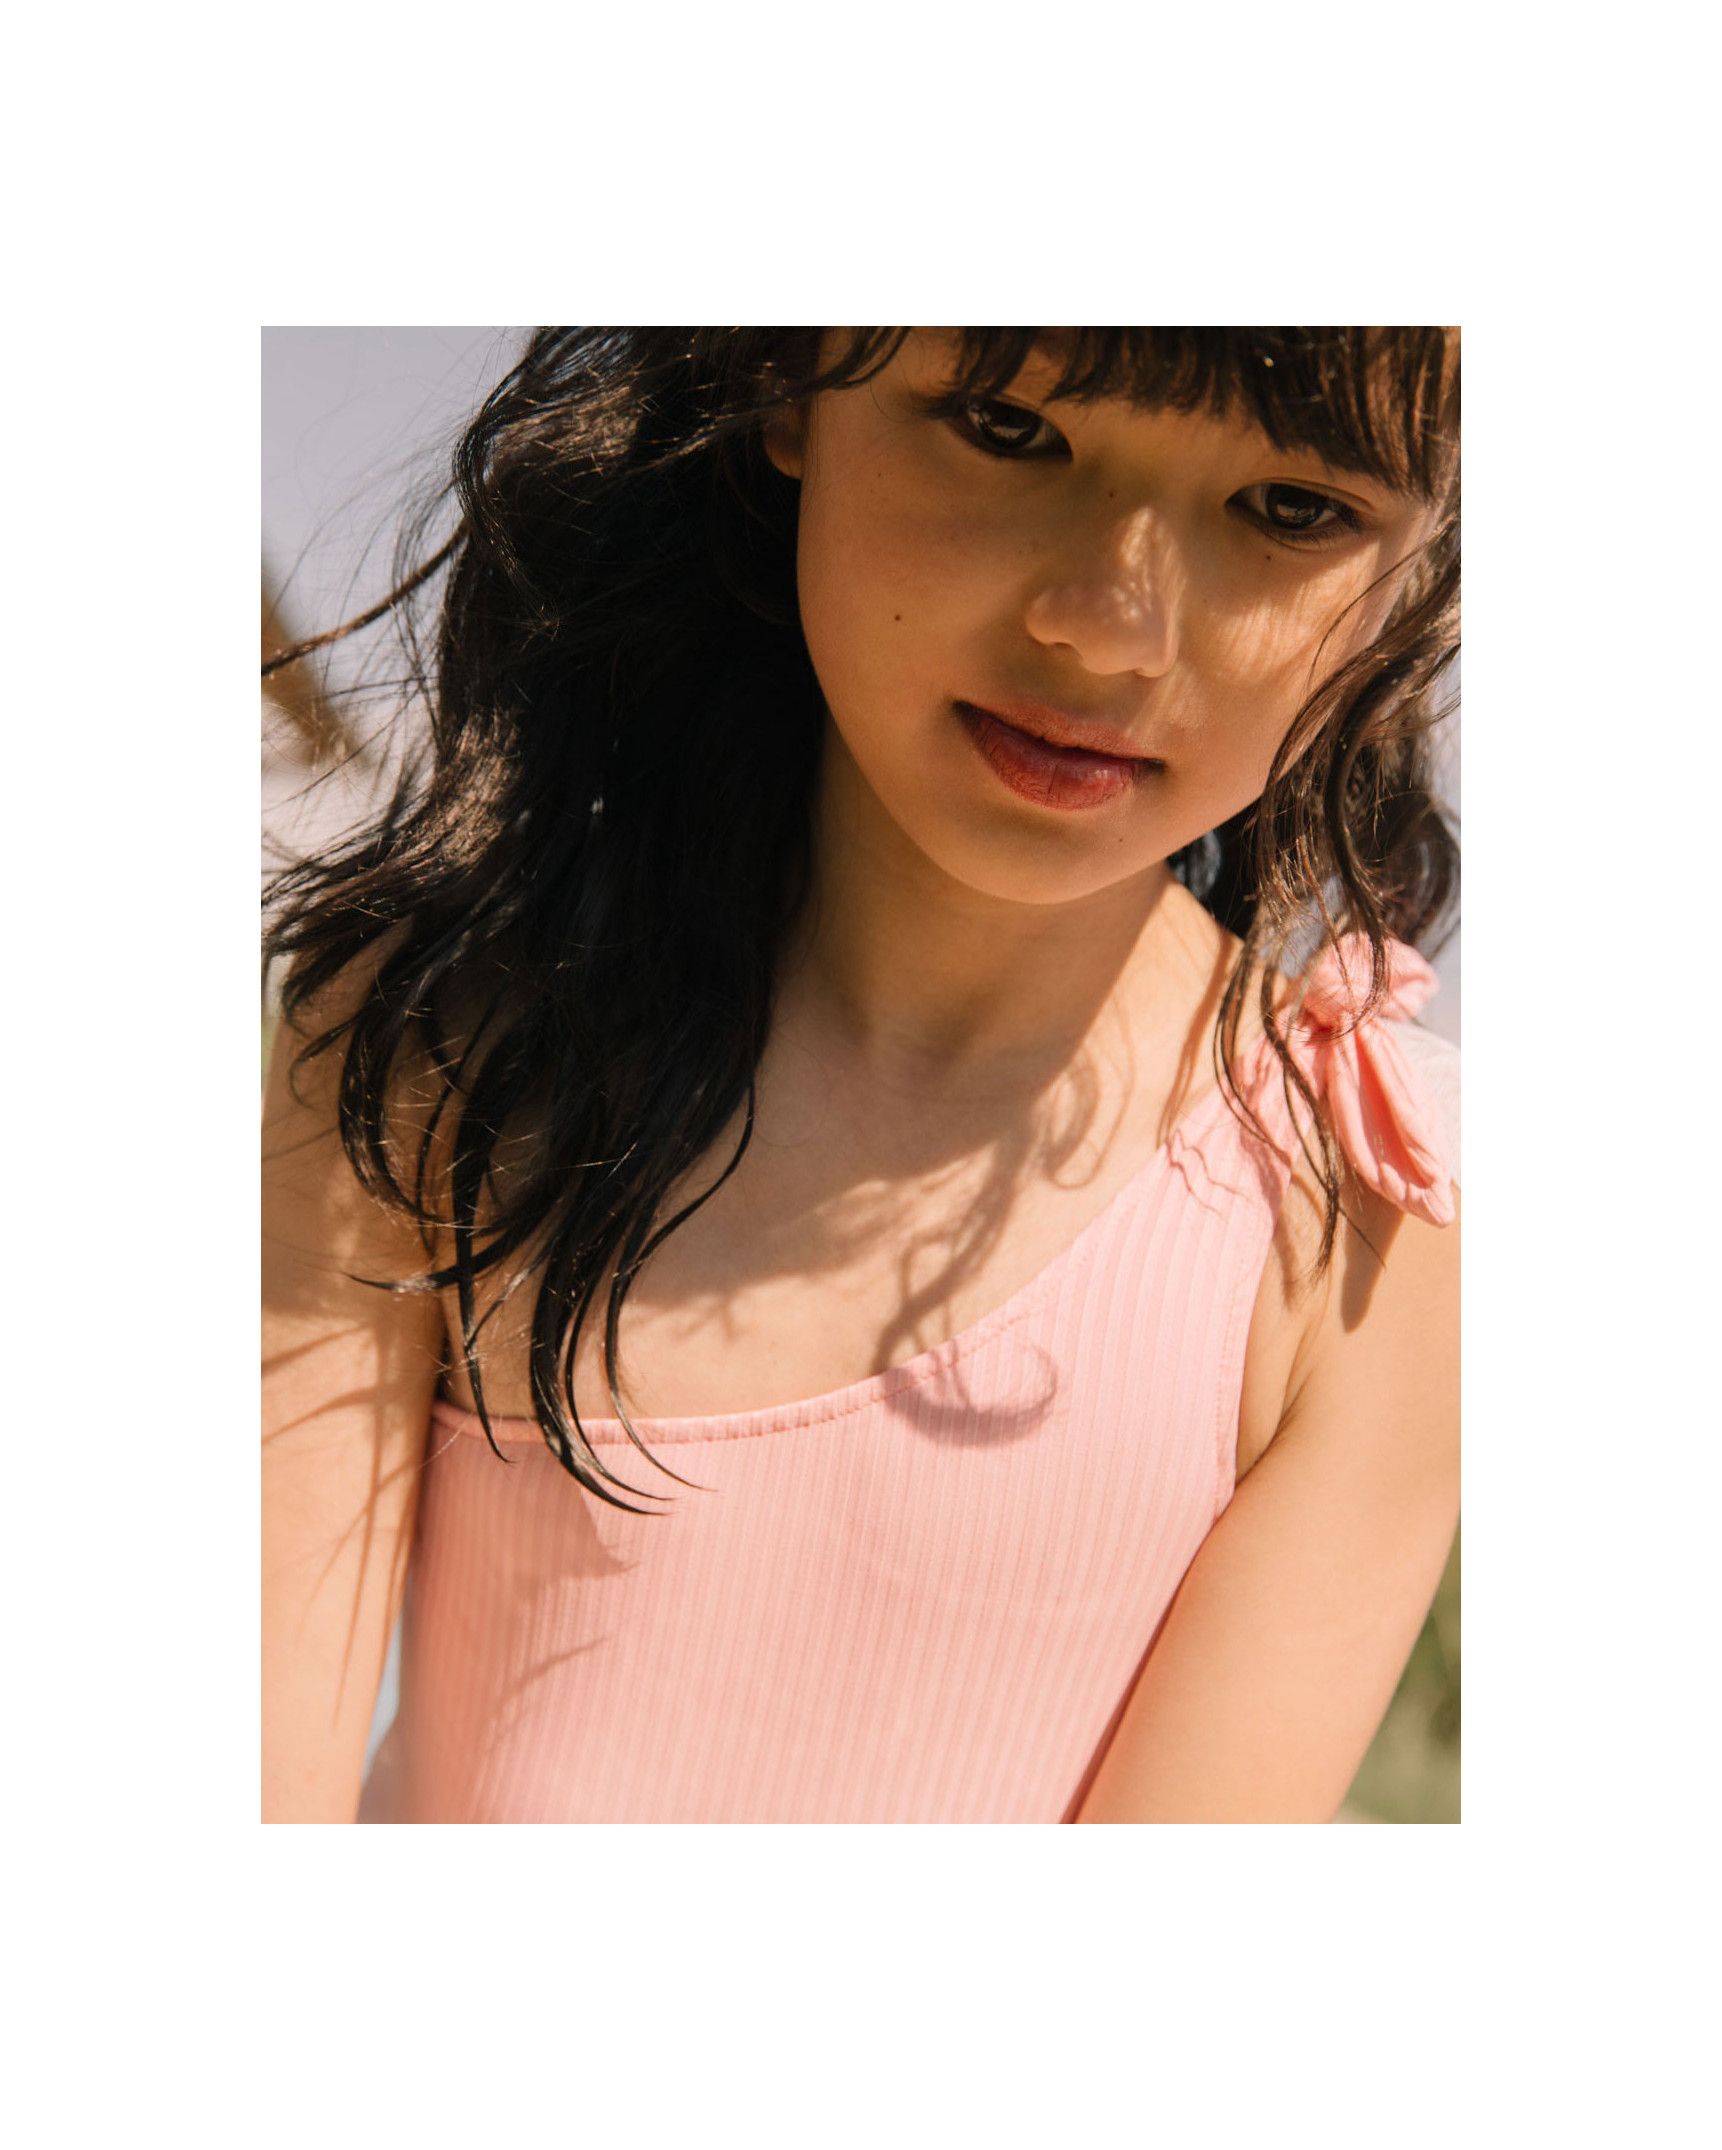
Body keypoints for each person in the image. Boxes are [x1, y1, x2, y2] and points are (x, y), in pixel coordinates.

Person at [262, 327, 1461, 1824]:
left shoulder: (1363, 1231)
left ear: (1423, 554)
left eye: (1292, 508)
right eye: (1007, 429)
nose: (1110, 630)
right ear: (785, 378)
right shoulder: (441, 1041)